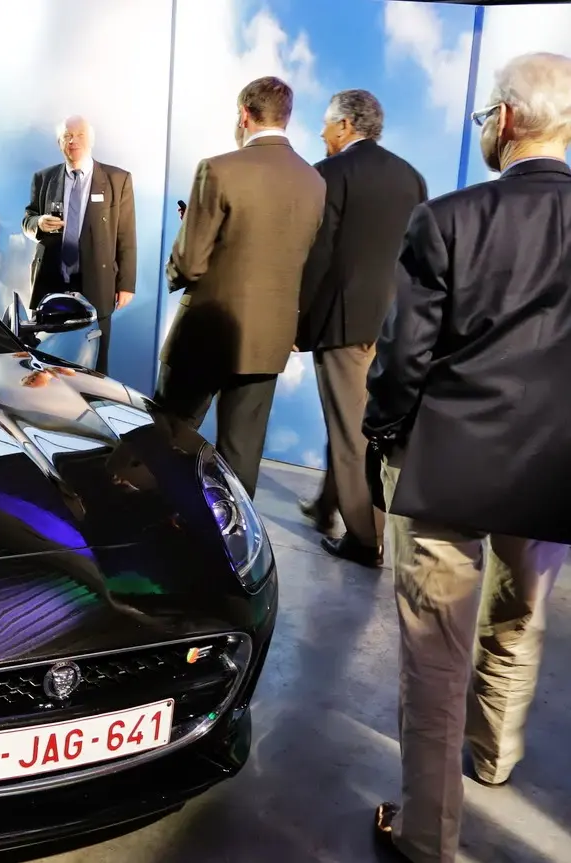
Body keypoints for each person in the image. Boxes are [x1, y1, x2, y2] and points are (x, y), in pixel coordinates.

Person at [366, 52, 571, 863]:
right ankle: (493, 755)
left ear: (507, 120)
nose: (484, 125)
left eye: (486, 113)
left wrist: (382, 435)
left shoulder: (448, 218)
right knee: (519, 617)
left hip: (445, 468)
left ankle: (426, 837)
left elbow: (402, 359)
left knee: (433, 655)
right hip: (553, 471)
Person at [157, 76, 326, 498]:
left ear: (244, 115)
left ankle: (164, 521)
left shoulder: (218, 169)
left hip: (207, 328)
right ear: (285, 117)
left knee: (169, 434)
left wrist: (177, 264)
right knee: (242, 454)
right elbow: (300, 259)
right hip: (269, 336)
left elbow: (190, 263)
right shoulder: (314, 181)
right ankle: (232, 531)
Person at [295, 90, 427, 567]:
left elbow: (318, 256)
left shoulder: (329, 173)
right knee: (354, 421)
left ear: (346, 125)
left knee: (352, 431)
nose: (321, 132)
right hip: (391, 324)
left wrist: (298, 321)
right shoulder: (411, 176)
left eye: (326, 124)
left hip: (342, 322)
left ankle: (365, 539)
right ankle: (327, 503)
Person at [21, 116, 138, 375]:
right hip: (51, 286)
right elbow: (27, 220)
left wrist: (126, 284)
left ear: (91, 139)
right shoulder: (44, 178)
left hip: (96, 285)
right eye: (67, 136)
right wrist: (38, 223)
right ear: (59, 142)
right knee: (45, 367)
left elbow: (126, 234)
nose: (73, 141)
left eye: (80, 135)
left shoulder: (117, 179)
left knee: (94, 368)